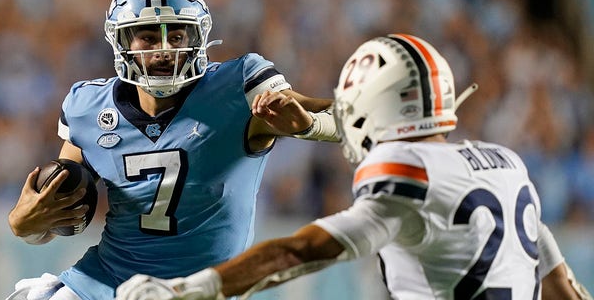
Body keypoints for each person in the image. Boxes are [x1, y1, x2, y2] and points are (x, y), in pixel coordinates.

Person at [115, 34, 593, 300]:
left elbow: (302, 251)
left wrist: (188, 290)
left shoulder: (405, 170)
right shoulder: (504, 163)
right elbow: (560, 288)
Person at [5, 0, 340, 299]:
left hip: (202, 291)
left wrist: (309, 124)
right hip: (104, 284)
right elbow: (63, 209)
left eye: (176, 36)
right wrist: (25, 225)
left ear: (197, 36)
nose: (164, 50)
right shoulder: (90, 108)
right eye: (149, 37)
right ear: (123, 42)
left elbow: (352, 118)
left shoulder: (237, 89)